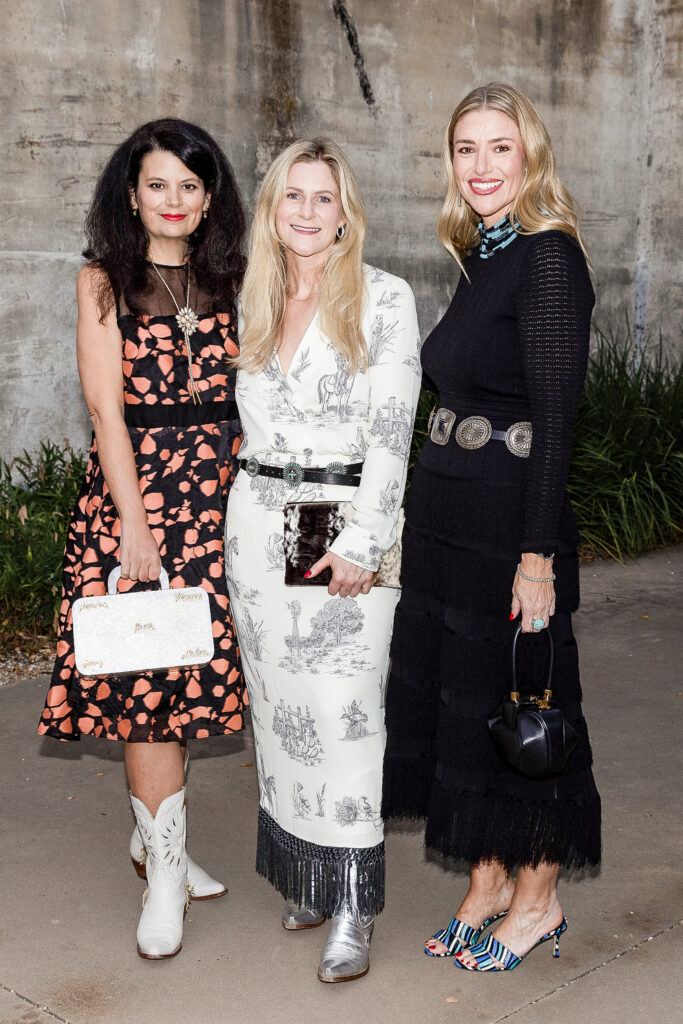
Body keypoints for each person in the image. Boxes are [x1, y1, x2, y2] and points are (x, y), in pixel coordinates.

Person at [382, 83, 601, 972]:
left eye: (497, 148)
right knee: (457, 706)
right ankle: (486, 881)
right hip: (445, 514)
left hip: (508, 521)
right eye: (464, 148)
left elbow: (556, 423)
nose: (479, 166)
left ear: (530, 156)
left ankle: (538, 898)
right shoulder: (482, 251)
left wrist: (537, 556)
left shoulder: (548, 257)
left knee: (526, 712)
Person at [38, 118, 246, 960]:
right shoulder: (103, 283)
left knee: (193, 677)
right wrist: (134, 525)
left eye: (190, 188)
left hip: (228, 497)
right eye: (157, 184)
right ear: (131, 194)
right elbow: (105, 414)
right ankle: (163, 873)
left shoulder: (233, 278)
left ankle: (158, 839)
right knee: (149, 682)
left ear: (208, 201)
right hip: (144, 501)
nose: (173, 201)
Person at [225, 139, 421, 982]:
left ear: (346, 212)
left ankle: (352, 902)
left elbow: (391, 430)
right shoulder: (254, 299)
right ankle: (306, 874)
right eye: (290, 197)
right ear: (272, 210)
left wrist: (361, 542)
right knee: (278, 713)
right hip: (259, 525)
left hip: (339, 523)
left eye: (322, 197)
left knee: (344, 716)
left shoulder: (382, 298)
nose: (306, 212)